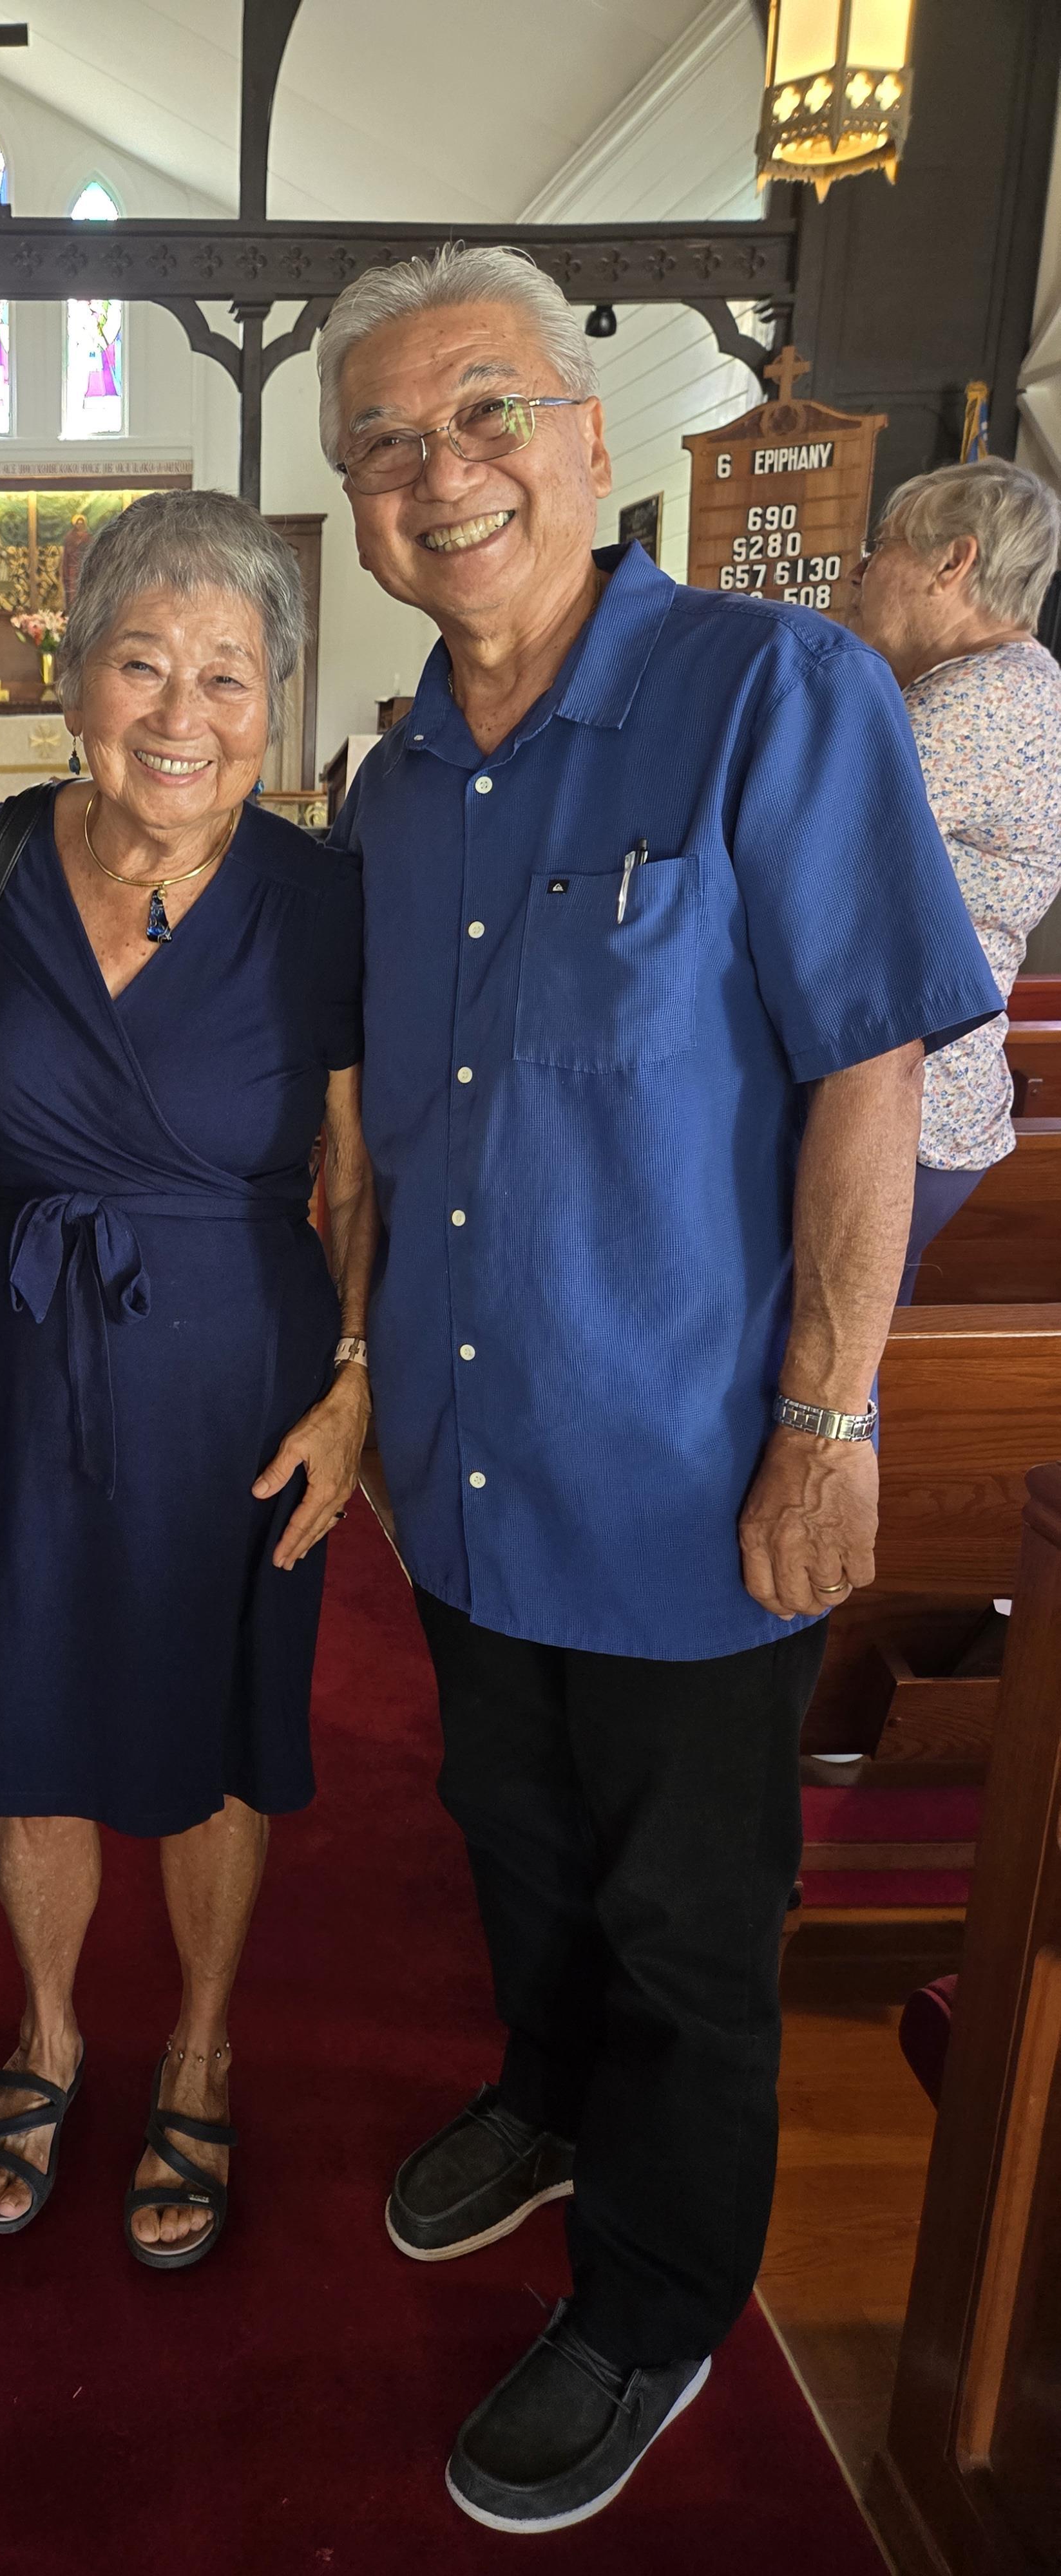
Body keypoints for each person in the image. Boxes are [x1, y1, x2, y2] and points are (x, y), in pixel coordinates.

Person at [317, 245, 1001, 2532]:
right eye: (385, 444)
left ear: (589, 441)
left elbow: (863, 1072)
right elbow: (392, 1131)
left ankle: (653, 2298)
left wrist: (829, 1411)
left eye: (483, 412)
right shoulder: (392, 780)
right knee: (506, 1840)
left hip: (690, 1458)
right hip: (469, 1458)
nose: (441, 472)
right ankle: (535, 2090)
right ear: (352, 504)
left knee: (688, 1924)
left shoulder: (770, 688)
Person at [0, 490, 376, 2268]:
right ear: (72, 683)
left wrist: (354, 1383)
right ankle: (49, 2030)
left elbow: (371, 1164)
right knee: (32, 1718)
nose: (183, 715)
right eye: (143, 664)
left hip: (245, 1372)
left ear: (275, 700)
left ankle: (200, 2045)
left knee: (217, 1726)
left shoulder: (326, 894)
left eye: (228, 675)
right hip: (26, 1365)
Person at [847, 457, 1061, 1300]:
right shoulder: (1022, 683)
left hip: (907, 1110)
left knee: (815, 1360)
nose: (863, 573)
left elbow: (783, 846)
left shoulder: (977, 701)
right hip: (934, 1099)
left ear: (953, 562)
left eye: (882, 547)